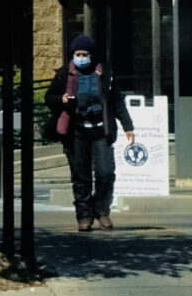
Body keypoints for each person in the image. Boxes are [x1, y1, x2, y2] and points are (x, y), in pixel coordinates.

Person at [45, 34, 134, 232]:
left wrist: (128, 126)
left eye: (85, 54)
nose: (81, 57)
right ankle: (84, 216)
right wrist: (62, 99)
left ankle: (101, 211)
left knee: (106, 173)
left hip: (100, 130)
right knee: (80, 176)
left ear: (91, 55)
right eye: (77, 54)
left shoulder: (104, 74)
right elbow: (48, 98)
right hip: (75, 131)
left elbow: (116, 102)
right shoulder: (63, 75)